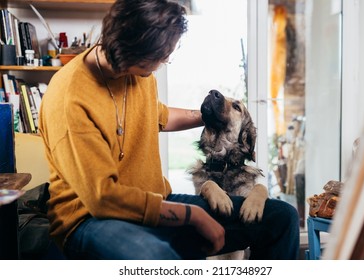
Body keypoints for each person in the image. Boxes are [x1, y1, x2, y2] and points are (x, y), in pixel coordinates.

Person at [39, 0, 300, 260]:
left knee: (281, 219)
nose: (165, 61)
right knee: (158, 257)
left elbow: (158, 116)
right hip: (90, 220)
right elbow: (102, 198)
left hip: (154, 203)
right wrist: (191, 214)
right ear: (136, 50)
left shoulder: (137, 75)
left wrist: (211, 115)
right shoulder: (70, 99)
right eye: (162, 55)